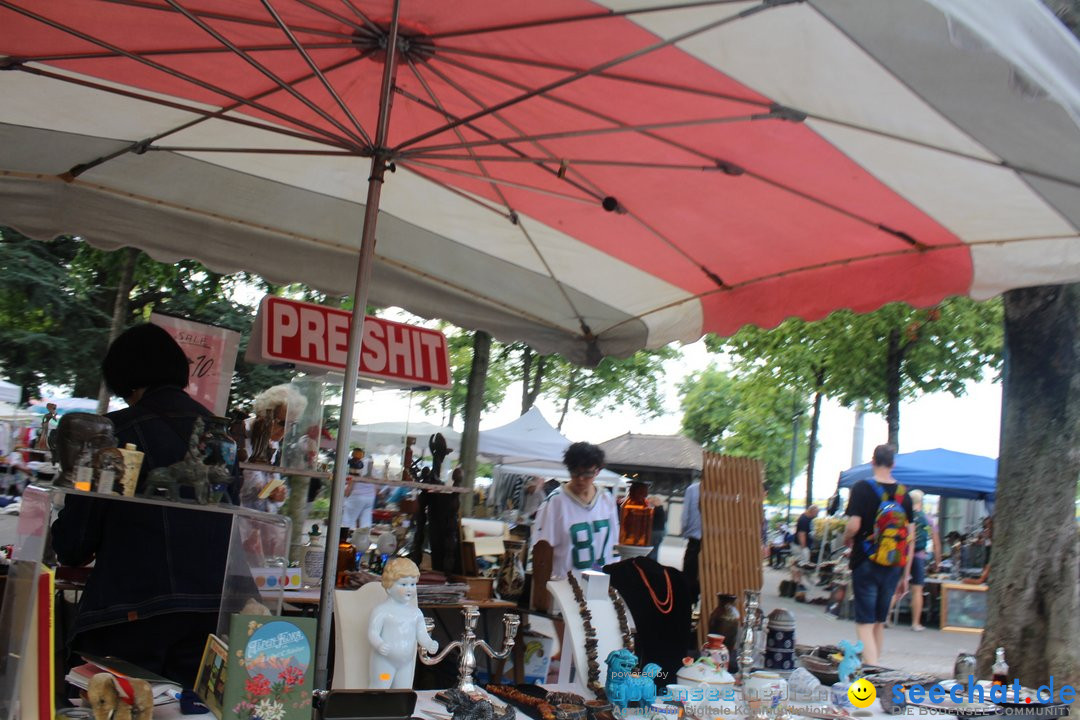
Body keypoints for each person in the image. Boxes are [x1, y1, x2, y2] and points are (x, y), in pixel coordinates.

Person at [51, 324, 248, 687]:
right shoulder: (221, 437)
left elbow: (73, 544)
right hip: (212, 611)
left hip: (131, 612)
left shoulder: (110, 432)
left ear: (124, 377)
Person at [842, 444, 914, 665]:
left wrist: (847, 537)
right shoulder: (905, 495)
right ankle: (875, 670)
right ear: (893, 464)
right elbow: (910, 538)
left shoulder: (861, 488)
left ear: (872, 461)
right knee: (879, 622)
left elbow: (854, 525)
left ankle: (872, 672)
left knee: (864, 622)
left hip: (866, 561)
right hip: (893, 565)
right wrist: (906, 574)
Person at [531, 441, 620, 578]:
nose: (580, 479)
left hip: (600, 585)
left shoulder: (606, 499)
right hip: (564, 586)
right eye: (575, 473)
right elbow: (541, 554)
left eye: (587, 474)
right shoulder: (555, 502)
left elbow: (614, 545)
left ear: (597, 471)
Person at [367, 557, 440, 689]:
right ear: (389, 586)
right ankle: (376, 709)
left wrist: (429, 643)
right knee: (380, 687)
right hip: (385, 662)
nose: (409, 589)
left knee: (403, 691)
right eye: (403, 584)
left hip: (405, 664)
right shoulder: (382, 610)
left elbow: (421, 634)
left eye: (412, 584)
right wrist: (379, 644)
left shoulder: (416, 613)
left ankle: (399, 710)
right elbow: (373, 632)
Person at [239, 384, 307, 514]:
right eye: (282, 423)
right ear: (264, 414)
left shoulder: (271, 442)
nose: (286, 430)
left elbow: (274, 484)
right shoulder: (242, 434)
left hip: (259, 521)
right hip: (234, 520)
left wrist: (279, 494)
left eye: (291, 424)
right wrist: (268, 491)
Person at [893, 489, 941, 630]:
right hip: (919, 556)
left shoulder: (903, 517)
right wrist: (937, 562)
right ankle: (915, 623)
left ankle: (884, 619)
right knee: (917, 590)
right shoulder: (928, 519)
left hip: (902, 555)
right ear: (921, 501)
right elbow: (937, 544)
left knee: (896, 588)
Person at [342, 447, 376, 529]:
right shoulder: (370, 467)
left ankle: (347, 540)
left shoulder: (355, 464)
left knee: (349, 520)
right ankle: (362, 540)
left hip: (357, 496)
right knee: (366, 522)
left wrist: (345, 494)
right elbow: (376, 485)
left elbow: (351, 483)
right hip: (370, 497)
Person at [681, 478, 702, 606]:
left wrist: (685, 531)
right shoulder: (723, 490)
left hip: (695, 539)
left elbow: (685, 515)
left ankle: (690, 602)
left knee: (690, 573)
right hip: (714, 541)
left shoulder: (693, 489)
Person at [792, 505, 819, 584]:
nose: (816, 515)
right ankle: (797, 582)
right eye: (816, 512)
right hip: (800, 546)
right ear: (812, 511)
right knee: (800, 565)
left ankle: (797, 582)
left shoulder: (808, 519)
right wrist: (804, 547)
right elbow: (801, 534)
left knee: (800, 564)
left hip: (802, 545)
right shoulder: (804, 520)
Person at [646, 495, 667, 561]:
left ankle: (650, 564)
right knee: (655, 550)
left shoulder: (656, 510)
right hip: (659, 532)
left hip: (654, 532)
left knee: (652, 551)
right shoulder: (661, 509)